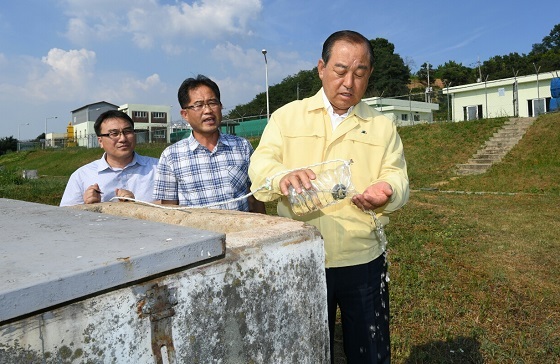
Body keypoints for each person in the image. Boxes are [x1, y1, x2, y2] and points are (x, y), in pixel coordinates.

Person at [248, 30, 409, 363]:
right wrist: (281, 178)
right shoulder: (287, 117)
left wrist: (388, 190)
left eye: (360, 73)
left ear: (369, 76)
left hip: (362, 258)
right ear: (321, 68)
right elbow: (261, 166)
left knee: (370, 351)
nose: (349, 82)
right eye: (340, 70)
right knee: (301, 350)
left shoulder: (382, 126)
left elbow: (397, 175)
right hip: (301, 258)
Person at [153, 75, 266, 213]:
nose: (208, 110)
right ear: (185, 114)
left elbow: (255, 196)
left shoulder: (242, 147)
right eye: (199, 105)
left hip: (241, 233)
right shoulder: (171, 156)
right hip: (197, 234)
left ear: (220, 106)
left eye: (212, 103)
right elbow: (169, 209)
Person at [60, 110, 159, 207]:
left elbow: (172, 207)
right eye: (114, 134)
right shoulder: (82, 176)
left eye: (128, 131)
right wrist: (89, 207)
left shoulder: (158, 169)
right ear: (100, 141)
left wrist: (135, 206)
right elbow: (66, 218)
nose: (123, 139)